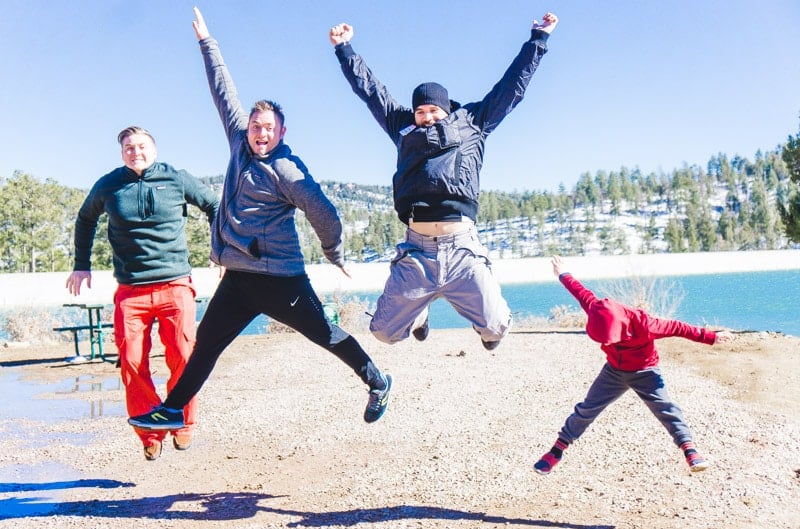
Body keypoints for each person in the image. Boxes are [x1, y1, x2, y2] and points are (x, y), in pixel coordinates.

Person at [128, 7, 392, 435]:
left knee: (324, 334)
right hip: (238, 278)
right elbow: (223, 91)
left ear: (281, 132)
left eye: (268, 128)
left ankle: (376, 380)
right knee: (206, 347)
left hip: (280, 279)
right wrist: (206, 43)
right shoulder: (238, 143)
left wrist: (334, 252)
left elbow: (324, 210)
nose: (260, 133)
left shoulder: (287, 171)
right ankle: (173, 409)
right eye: (255, 126)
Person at [328, 13, 558, 351]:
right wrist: (345, 49)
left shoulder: (474, 123)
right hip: (417, 249)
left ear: (446, 109)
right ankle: (418, 316)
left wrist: (538, 40)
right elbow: (371, 91)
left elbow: (511, 88)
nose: (427, 117)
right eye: (420, 111)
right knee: (384, 333)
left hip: (462, 247)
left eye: (433, 110)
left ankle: (484, 324)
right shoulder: (402, 129)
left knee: (496, 331)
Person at [66, 126, 219, 461]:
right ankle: (148, 431)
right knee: (132, 361)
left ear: (154, 148)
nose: (135, 152)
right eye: (128, 148)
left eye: (141, 146)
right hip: (130, 290)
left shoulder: (177, 179)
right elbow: (85, 219)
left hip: (174, 284)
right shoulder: (109, 185)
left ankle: (182, 423)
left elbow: (214, 205)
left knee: (183, 355)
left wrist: (220, 249)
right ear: (122, 153)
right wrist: (81, 264)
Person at [533, 256, 736, 475]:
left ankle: (690, 450)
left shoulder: (645, 324)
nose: (607, 343)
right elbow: (578, 290)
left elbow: (680, 328)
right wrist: (562, 273)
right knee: (587, 409)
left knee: (666, 409)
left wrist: (712, 337)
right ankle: (556, 451)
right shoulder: (595, 308)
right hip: (613, 372)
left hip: (645, 372)